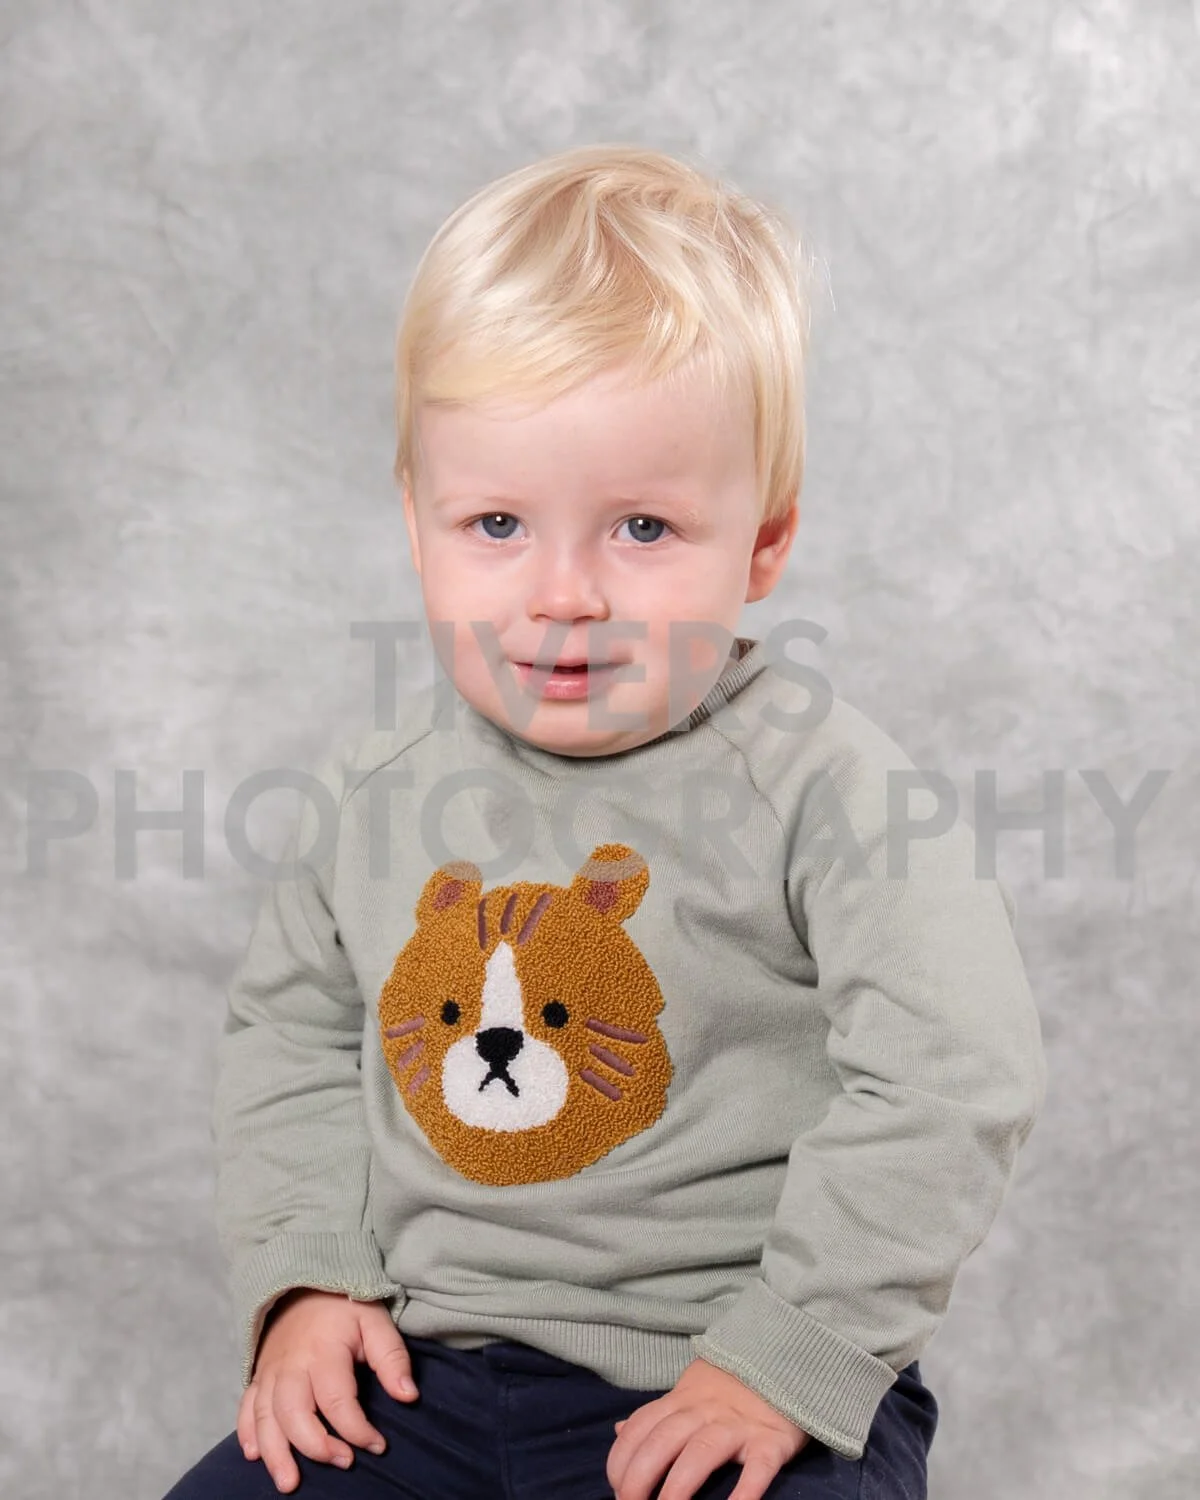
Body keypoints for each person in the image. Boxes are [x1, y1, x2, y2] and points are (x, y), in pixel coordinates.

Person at [164, 143, 1046, 1500]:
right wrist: (309, 1278)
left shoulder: (826, 793)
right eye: (496, 523)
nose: (564, 593)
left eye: (641, 529)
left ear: (763, 543)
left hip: (728, 1371)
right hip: (422, 1372)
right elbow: (293, 1034)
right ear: (415, 521)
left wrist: (791, 1353)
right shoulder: (372, 793)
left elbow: (952, 1074)